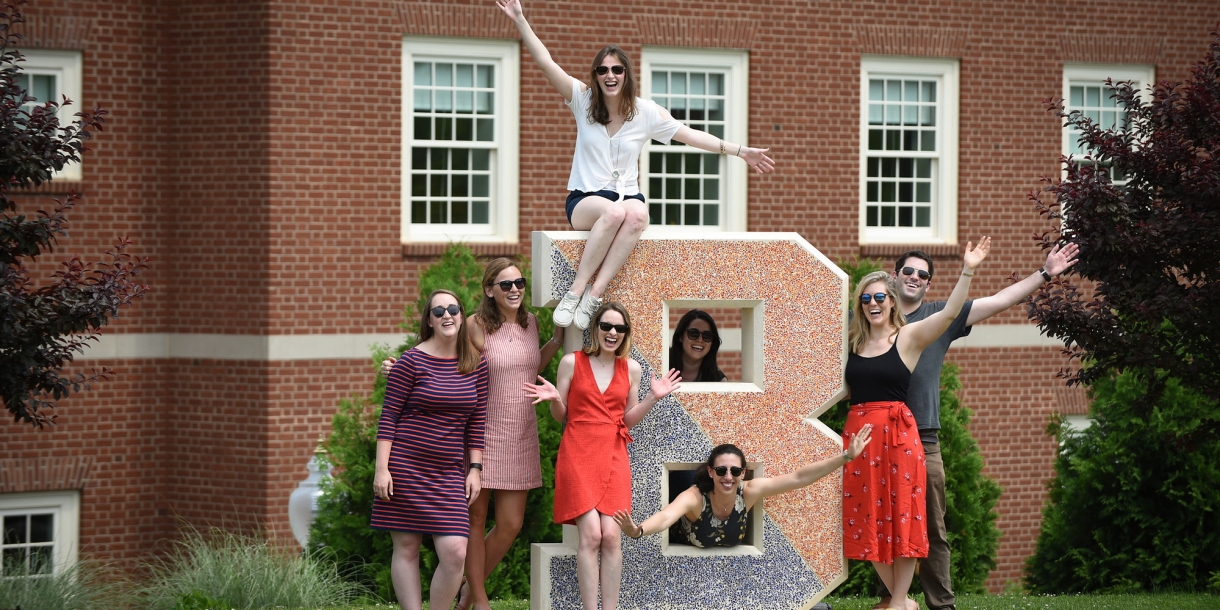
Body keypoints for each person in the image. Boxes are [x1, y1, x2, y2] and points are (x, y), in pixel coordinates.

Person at [496, 0, 775, 331]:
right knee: (615, 212)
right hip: (586, 199)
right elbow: (545, 63)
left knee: (638, 214)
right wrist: (520, 19)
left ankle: (594, 295)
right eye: (602, 70)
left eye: (616, 69)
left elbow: (690, 135)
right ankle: (576, 291)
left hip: (628, 197)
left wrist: (740, 151)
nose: (609, 75)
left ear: (626, 74)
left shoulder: (646, 112)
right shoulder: (582, 100)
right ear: (595, 76)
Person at [871, 242, 1078, 610]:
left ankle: (941, 606)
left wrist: (1044, 273)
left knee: (931, 529)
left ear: (929, 284)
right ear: (894, 275)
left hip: (922, 439)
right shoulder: (873, 317)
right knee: (882, 524)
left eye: (923, 274)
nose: (915, 278)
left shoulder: (939, 317)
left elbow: (998, 301)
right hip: (878, 439)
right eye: (909, 272)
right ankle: (895, 602)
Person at [379, 259, 565, 610]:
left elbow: (527, 366)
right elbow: (446, 353)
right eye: (505, 284)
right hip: (482, 431)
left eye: (519, 283)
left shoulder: (531, 322)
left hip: (520, 432)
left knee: (511, 524)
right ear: (489, 290)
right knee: (475, 522)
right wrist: (398, 365)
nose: (514, 290)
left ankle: (467, 588)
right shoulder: (476, 325)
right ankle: (477, 600)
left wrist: (556, 340)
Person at [843, 238, 990, 610]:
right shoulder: (853, 340)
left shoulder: (908, 335)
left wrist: (968, 269)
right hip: (861, 438)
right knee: (867, 518)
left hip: (898, 434)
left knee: (906, 519)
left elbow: (949, 314)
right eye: (866, 299)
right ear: (859, 305)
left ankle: (897, 604)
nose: (874, 304)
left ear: (891, 301)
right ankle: (902, 601)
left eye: (880, 298)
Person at [523, 301, 681, 610]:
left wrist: (652, 397)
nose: (612, 333)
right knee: (592, 535)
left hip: (614, 455)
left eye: (619, 328)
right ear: (595, 328)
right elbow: (562, 416)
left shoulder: (631, 368)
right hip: (578, 454)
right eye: (606, 326)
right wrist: (555, 398)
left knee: (612, 535)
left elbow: (626, 418)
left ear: (626, 333)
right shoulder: (572, 362)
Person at [371, 289, 488, 610]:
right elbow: (389, 415)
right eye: (438, 311)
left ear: (462, 316)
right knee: (406, 547)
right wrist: (382, 469)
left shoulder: (476, 364)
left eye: (453, 309)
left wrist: (475, 470)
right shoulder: (410, 361)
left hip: (449, 472)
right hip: (406, 466)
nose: (446, 315)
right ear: (429, 320)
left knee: (455, 552)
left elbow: (477, 421)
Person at [611, 429, 873, 547]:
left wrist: (845, 457)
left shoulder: (748, 491)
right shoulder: (695, 497)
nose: (728, 477)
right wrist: (638, 531)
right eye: (722, 470)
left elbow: (798, 478)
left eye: (735, 471)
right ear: (711, 472)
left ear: (743, 473)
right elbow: (667, 516)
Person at [669, 309, 727, 382]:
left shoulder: (718, 381)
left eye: (706, 336)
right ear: (681, 336)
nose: (700, 340)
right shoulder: (660, 365)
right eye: (693, 333)